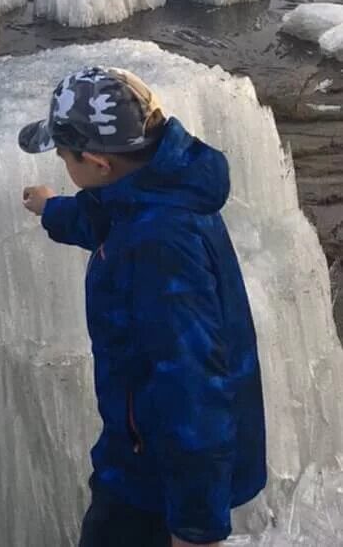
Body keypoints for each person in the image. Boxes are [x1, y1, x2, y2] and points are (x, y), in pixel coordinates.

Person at [18, 67, 266, 547]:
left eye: (65, 157)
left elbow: (193, 384)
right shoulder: (153, 190)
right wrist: (52, 209)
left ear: (97, 164)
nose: (63, 166)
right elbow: (109, 221)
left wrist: (195, 527)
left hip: (154, 475)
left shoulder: (162, 246)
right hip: (142, 451)